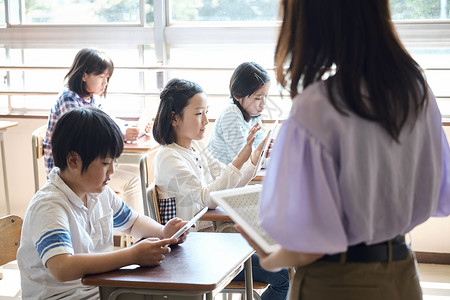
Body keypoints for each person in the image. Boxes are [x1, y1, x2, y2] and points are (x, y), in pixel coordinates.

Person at [235, 1, 450, 300]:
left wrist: (271, 258)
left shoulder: (318, 108)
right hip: (402, 272)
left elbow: (311, 247)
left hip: (339, 281)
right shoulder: (416, 90)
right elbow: (432, 188)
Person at [18, 107, 188, 300]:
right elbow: (61, 267)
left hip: (98, 289)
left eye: (115, 162)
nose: (113, 171)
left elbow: (133, 223)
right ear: (73, 160)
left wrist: (163, 232)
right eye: (106, 163)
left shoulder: (99, 193)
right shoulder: (49, 204)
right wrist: (131, 255)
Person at [152, 78, 289, 300]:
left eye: (206, 112)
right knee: (283, 274)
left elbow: (225, 183)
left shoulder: (195, 147)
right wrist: (242, 157)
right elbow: (210, 198)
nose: (206, 120)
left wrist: (253, 158)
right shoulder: (169, 157)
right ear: (174, 118)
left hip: (212, 241)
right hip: (195, 250)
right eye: (198, 114)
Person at [42, 48, 147, 214]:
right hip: (70, 173)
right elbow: (87, 138)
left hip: (87, 165)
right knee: (133, 180)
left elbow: (105, 121)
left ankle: (137, 230)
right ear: (84, 75)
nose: (105, 83)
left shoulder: (89, 97)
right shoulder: (68, 99)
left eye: (107, 78)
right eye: (101, 77)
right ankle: (137, 233)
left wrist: (128, 129)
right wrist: (121, 134)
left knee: (137, 173)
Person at [207, 62, 270, 164]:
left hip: (236, 177)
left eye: (265, 96)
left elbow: (260, 149)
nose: (263, 104)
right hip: (219, 177)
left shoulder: (253, 113)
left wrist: (269, 151)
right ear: (237, 95)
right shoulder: (231, 114)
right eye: (258, 98)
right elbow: (245, 161)